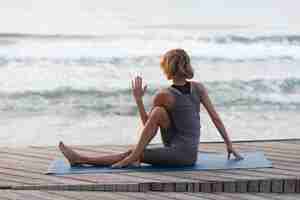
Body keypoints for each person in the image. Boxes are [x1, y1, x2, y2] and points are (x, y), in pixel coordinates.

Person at [59, 48, 243, 168]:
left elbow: (147, 125)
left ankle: (82, 159)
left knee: (132, 151)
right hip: (190, 152)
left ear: (167, 68)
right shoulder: (199, 87)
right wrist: (229, 144)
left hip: (179, 155)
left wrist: (138, 100)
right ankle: (135, 156)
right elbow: (215, 118)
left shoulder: (164, 95)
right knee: (159, 113)